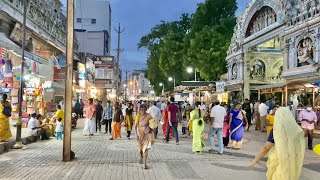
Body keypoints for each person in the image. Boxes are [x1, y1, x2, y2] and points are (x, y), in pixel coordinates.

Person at [250, 107, 305, 180]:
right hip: (292, 160)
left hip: (279, 160)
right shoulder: (297, 130)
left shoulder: (276, 131)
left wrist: (255, 160)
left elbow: (266, 148)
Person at [135, 104, 154, 169]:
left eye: (144, 109)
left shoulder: (149, 116)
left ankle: (145, 164)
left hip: (147, 134)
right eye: (141, 110)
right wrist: (136, 135)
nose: (143, 111)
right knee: (140, 148)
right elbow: (135, 126)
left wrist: (150, 129)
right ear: (139, 110)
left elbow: (153, 124)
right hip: (140, 134)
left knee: (146, 148)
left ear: (146, 109)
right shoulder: (138, 116)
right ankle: (141, 157)